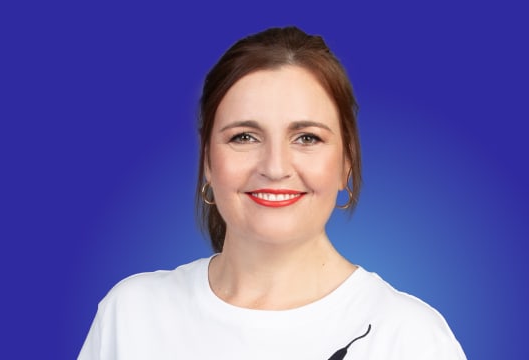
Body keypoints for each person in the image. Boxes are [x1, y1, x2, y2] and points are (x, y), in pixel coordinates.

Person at [78, 26, 467, 359]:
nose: (275, 167)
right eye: (244, 137)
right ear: (208, 161)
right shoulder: (132, 315)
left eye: (307, 137)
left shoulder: (409, 338)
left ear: (346, 162)